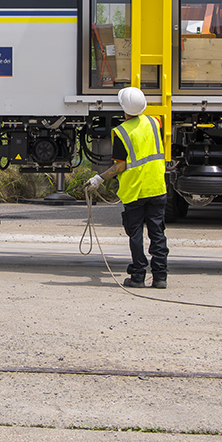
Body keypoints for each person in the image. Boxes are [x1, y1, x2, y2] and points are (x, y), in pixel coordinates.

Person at [85, 85, 169, 289]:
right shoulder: (155, 122)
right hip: (157, 187)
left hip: (135, 191)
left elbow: (120, 166)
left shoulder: (121, 132)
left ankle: (138, 276)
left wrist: (99, 179)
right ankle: (160, 277)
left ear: (123, 108)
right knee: (157, 234)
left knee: (136, 234)